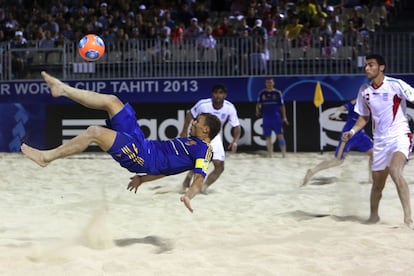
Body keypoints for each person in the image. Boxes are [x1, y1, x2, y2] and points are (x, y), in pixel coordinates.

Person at [21, 71, 221, 213]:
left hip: (141, 157)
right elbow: (168, 168)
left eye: (197, 121)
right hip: (143, 143)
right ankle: (63, 89)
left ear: (206, 129)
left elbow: (199, 179)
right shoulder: (192, 141)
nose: (193, 121)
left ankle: (46, 157)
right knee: (112, 101)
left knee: (95, 132)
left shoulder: (204, 151)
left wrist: (189, 195)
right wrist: (143, 179)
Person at [342, 54, 414, 229]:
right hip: (380, 142)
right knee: (377, 186)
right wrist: (351, 131)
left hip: (400, 136)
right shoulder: (364, 90)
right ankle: (374, 217)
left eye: (371, 65)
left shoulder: (395, 85)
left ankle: (408, 220)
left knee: (396, 171)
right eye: (366, 65)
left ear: (381, 67)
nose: (367, 68)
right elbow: (364, 117)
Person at [179, 84, 241, 194]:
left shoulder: (229, 107)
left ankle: (204, 186)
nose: (218, 95)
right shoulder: (203, 104)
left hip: (215, 136)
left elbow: (236, 126)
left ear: (225, 95)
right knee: (200, 161)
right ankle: (187, 180)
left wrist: (235, 141)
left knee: (220, 166)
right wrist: (184, 131)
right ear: (212, 94)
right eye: (216, 92)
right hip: (200, 135)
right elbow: (190, 114)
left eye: (221, 93)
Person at [302, 99, 373, 186]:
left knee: (374, 154)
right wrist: (337, 113)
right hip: (348, 135)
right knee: (338, 161)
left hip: (360, 134)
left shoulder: (373, 101)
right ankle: (312, 171)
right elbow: (341, 108)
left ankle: (371, 179)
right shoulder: (357, 101)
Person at [256, 77, 289, 158]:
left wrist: (284, 117)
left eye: (270, 82)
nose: (269, 84)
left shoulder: (277, 93)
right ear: (265, 83)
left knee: (280, 135)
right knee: (268, 137)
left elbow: (282, 106)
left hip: (276, 117)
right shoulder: (262, 93)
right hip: (266, 117)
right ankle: (270, 154)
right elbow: (258, 104)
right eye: (267, 83)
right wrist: (257, 110)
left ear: (273, 83)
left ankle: (284, 154)